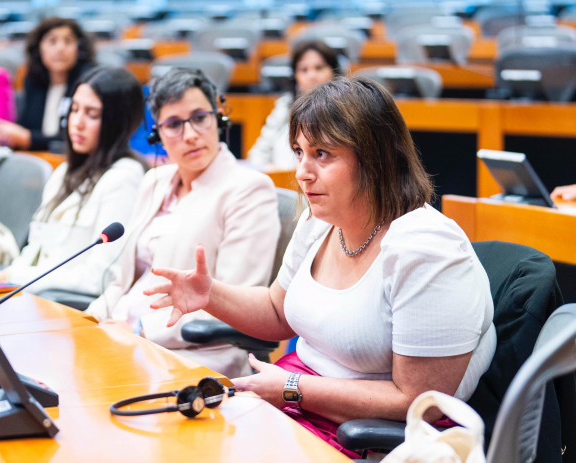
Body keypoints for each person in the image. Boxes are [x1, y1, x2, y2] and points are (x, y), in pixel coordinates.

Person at [144, 77, 495, 457]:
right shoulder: (320, 221)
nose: (302, 172)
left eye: (322, 154)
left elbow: (418, 400)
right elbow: (277, 312)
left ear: (376, 158)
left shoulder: (427, 250)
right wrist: (210, 294)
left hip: (367, 437)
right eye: (299, 152)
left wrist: (294, 387)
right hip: (299, 402)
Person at [86, 68, 281, 378]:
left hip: (193, 354)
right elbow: (123, 281)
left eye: (200, 117)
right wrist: (91, 318)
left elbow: (237, 303)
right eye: (174, 124)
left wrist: (137, 330)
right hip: (122, 335)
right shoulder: (154, 181)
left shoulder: (249, 190)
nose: (190, 135)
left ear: (218, 117)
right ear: (157, 135)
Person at [0, 66, 147, 295]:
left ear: (118, 122)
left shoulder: (124, 177)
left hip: (67, 308)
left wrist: (13, 278)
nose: (77, 122)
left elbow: (101, 277)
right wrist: (4, 279)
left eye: (92, 114)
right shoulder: (64, 171)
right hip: (33, 296)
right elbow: (33, 252)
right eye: (74, 110)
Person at [0, 17, 95, 151]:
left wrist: (27, 138)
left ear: (79, 49)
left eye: (68, 41)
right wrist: (6, 133)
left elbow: (73, 137)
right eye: (52, 41)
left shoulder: (87, 85)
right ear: (39, 49)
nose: (60, 48)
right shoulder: (33, 82)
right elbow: (25, 126)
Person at [247, 39, 340, 170]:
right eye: (304, 70)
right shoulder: (285, 105)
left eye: (319, 68)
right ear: (295, 76)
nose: (312, 75)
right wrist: (272, 172)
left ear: (333, 71)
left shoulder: (345, 108)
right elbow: (258, 154)